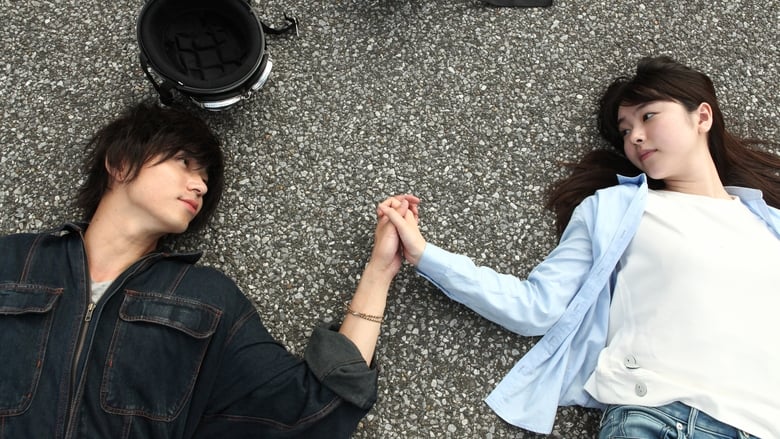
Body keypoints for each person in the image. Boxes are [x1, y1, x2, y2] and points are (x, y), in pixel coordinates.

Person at [378, 56, 780, 438]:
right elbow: (537, 307)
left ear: (702, 117)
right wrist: (424, 254)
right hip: (665, 418)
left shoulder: (768, 224)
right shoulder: (619, 210)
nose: (636, 136)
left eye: (648, 116)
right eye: (625, 130)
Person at [0, 102, 406, 438]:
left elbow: (315, 408)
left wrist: (379, 271)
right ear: (120, 163)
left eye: (206, 178)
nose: (201, 186)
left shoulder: (206, 301)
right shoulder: (11, 263)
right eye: (184, 162)